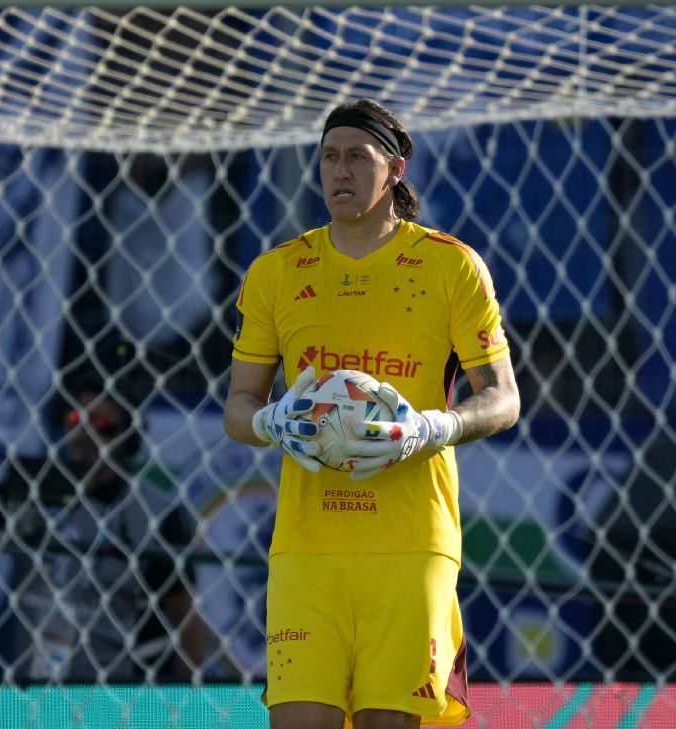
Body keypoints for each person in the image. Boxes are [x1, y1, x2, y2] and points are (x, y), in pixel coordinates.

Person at [223, 99, 520, 729]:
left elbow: (503, 398)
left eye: (358, 156)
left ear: (396, 170)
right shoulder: (276, 272)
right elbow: (238, 408)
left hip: (410, 546)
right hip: (307, 549)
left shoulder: (451, 266)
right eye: (329, 157)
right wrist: (271, 421)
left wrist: (434, 427)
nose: (339, 171)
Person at [0, 372, 224, 682]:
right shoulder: (29, 491)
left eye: (103, 426)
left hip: (119, 688)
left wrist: (186, 697)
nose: (84, 434)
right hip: (33, 683)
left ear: (128, 437)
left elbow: (183, 613)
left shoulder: (154, 511)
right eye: (76, 419)